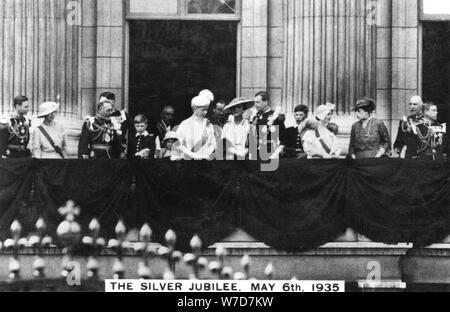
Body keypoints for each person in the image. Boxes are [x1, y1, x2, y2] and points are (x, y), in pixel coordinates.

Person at [176, 96, 217, 160]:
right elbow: (178, 143)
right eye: (203, 110)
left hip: (205, 160)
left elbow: (213, 143)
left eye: (206, 109)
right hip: (190, 160)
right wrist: (193, 155)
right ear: (195, 109)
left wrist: (206, 154)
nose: (205, 112)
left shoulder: (209, 125)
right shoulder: (185, 124)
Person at [252, 91, 287, 160]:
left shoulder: (276, 116)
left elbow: (283, 139)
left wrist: (276, 153)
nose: (255, 104)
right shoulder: (256, 118)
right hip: (258, 154)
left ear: (266, 102)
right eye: (255, 102)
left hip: (272, 154)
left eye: (258, 102)